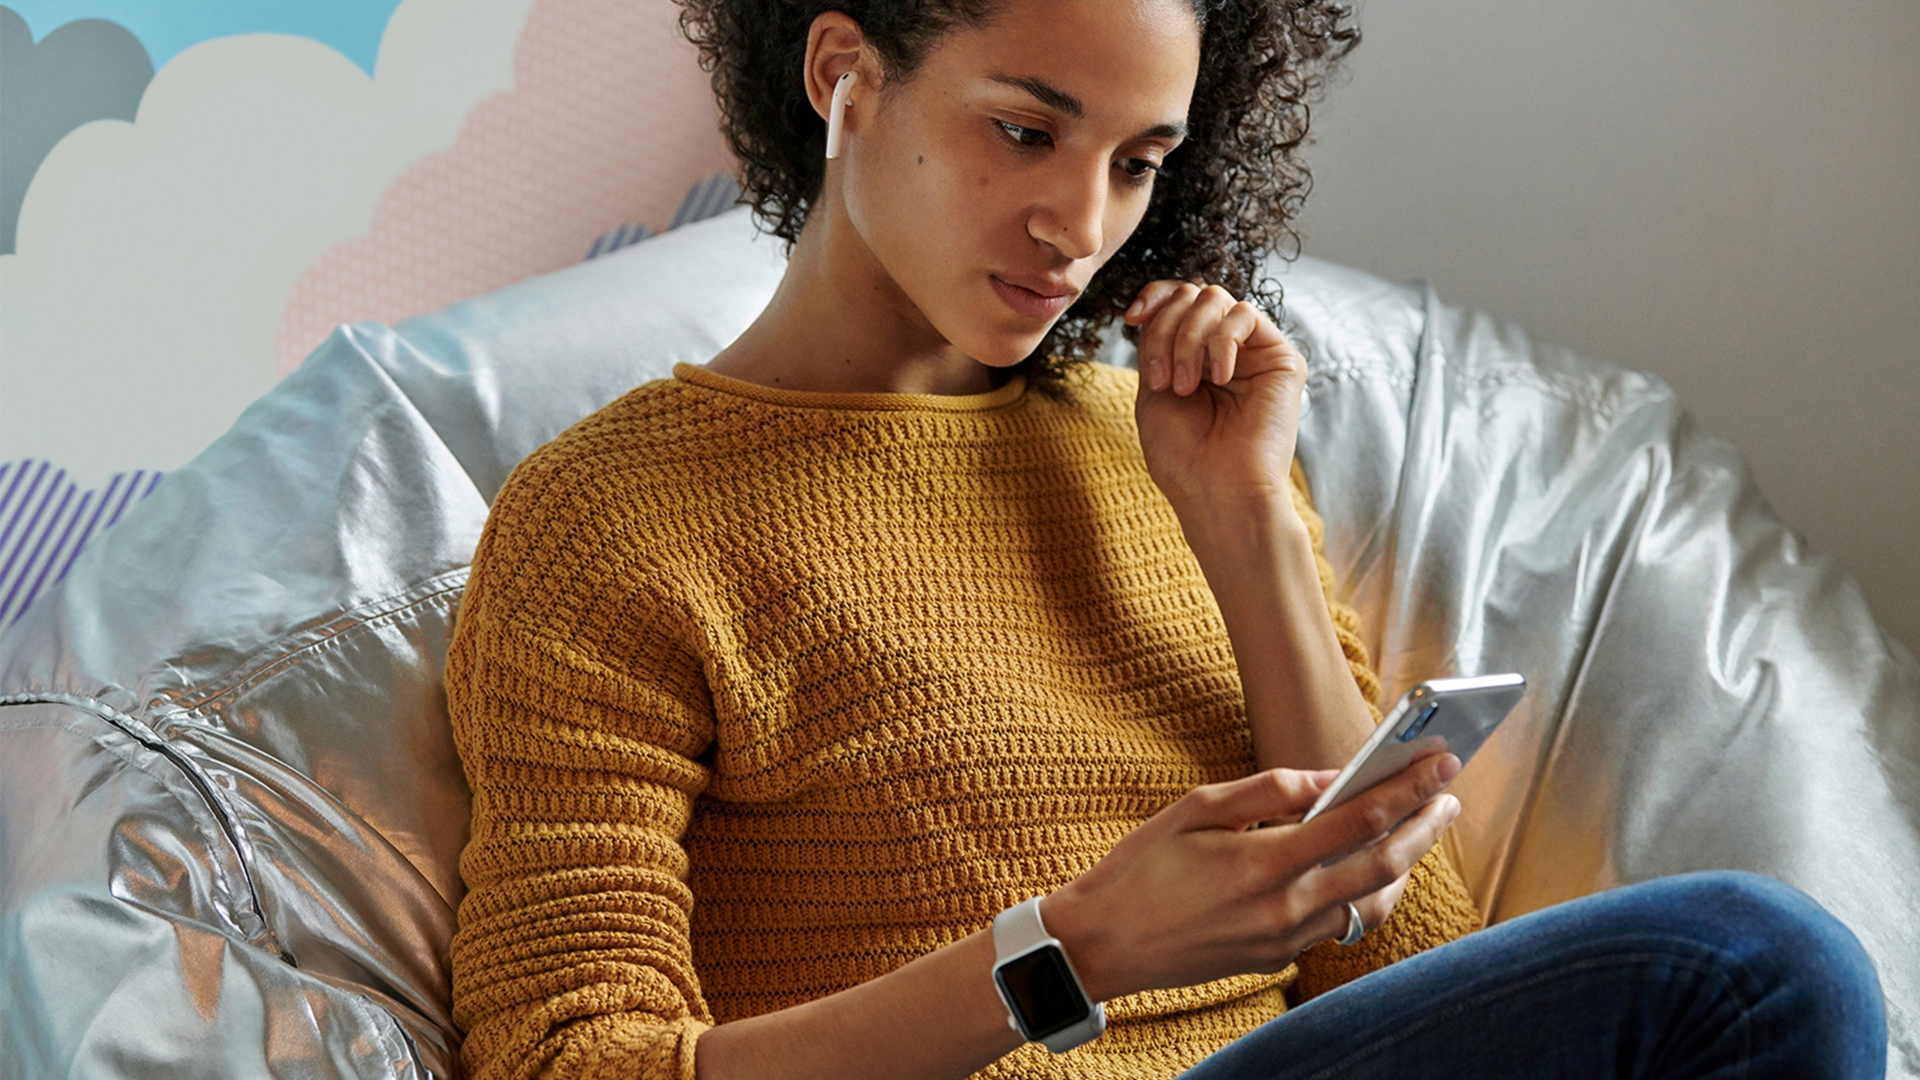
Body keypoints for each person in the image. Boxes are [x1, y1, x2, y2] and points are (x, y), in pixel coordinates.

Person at [443, 1, 1888, 1077]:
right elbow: (562, 1062)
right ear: (843, 75)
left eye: (1138, 163)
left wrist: (1245, 521)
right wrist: (1071, 952)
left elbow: (1426, 971)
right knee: (1756, 970)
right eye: (1026, 130)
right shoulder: (610, 521)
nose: (1081, 224)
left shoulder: (1157, 450)